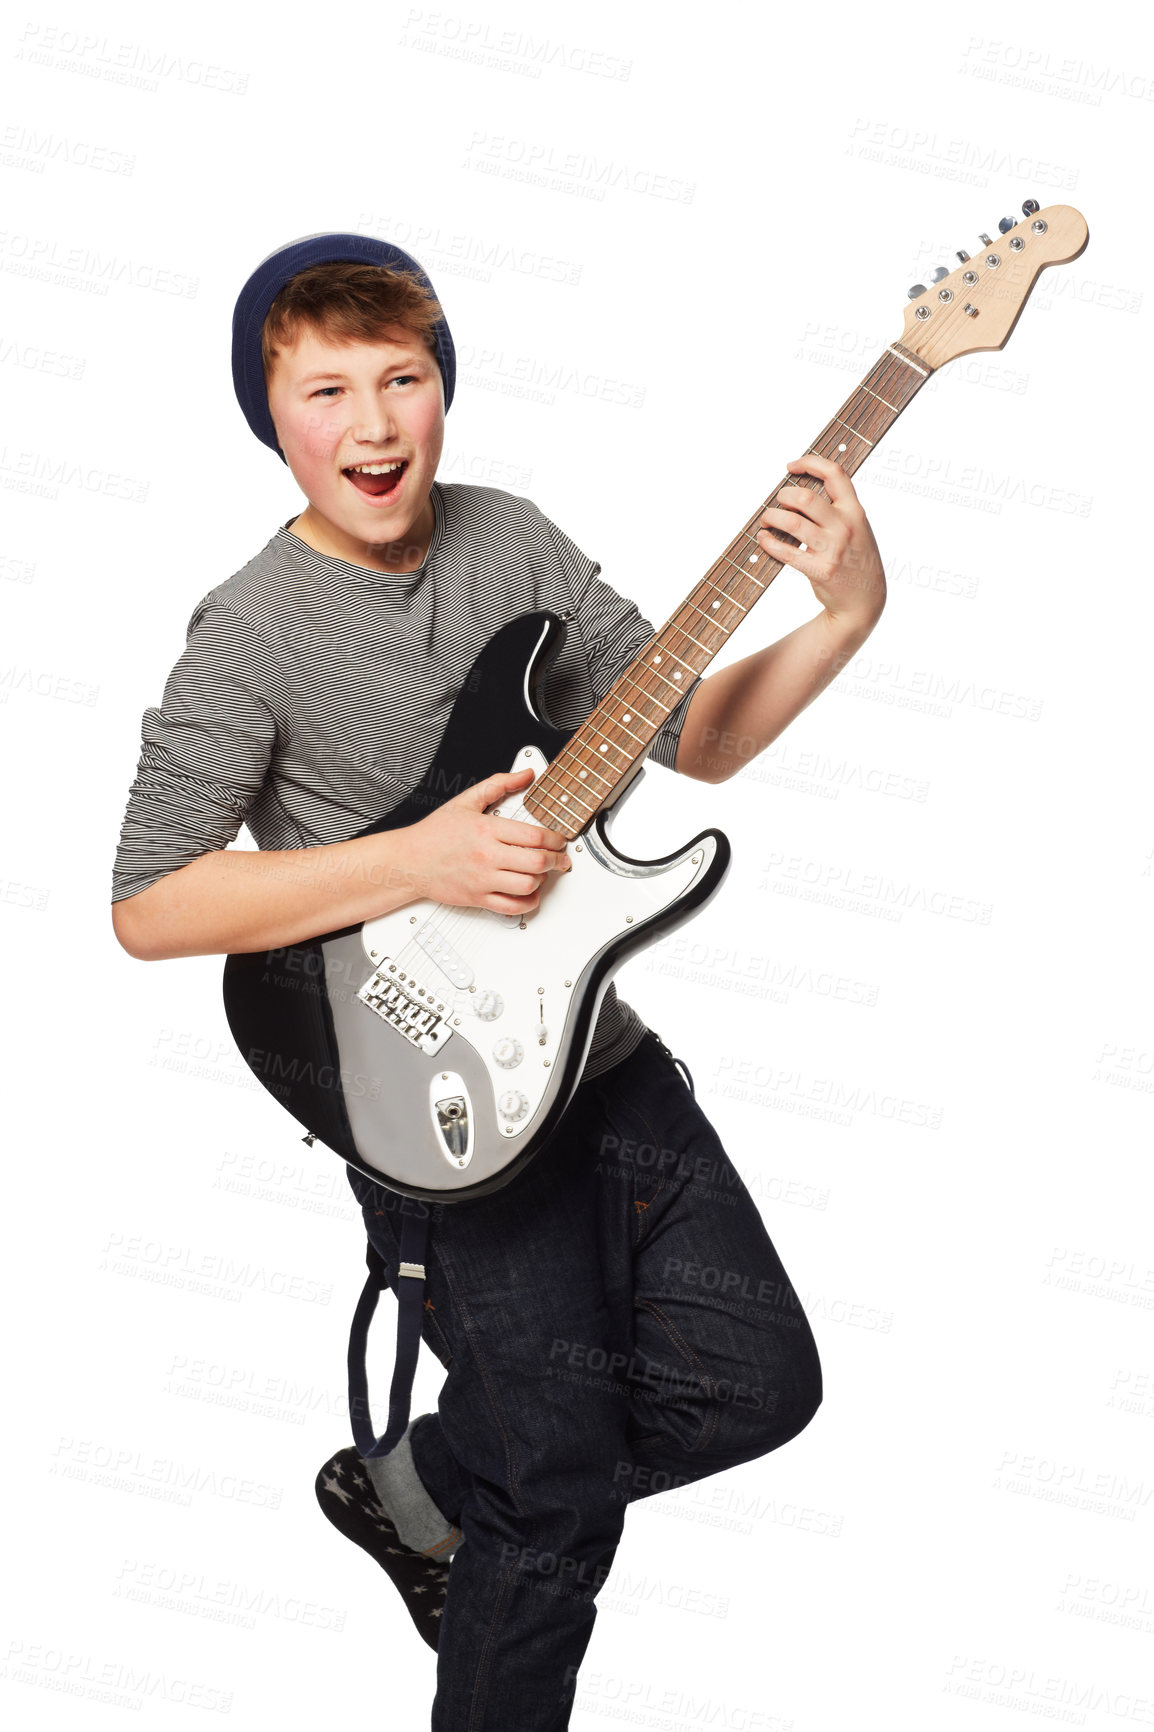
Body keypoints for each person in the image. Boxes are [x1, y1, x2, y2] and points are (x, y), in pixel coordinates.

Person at [110, 233, 888, 1729]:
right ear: (271, 417)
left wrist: (842, 612)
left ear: (442, 387)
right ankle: (501, 1490)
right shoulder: (251, 630)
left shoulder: (509, 541)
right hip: (422, 1088)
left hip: (590, 1052)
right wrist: (414, 865)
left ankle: (423, 1484)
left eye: (402, 378)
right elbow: (150, 905)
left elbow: (693, 737)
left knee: (754, 1383)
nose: (375, 423)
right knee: (553, 1502)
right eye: (326, 390)